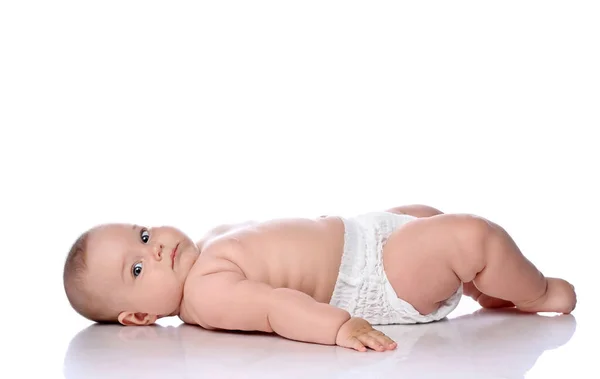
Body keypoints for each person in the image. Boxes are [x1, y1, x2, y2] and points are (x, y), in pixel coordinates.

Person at [63, 204, 577, 352]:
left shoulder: (208, 244)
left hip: (367, 236)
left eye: (145, 235)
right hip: (374, 281)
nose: (155, 252)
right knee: (469, 236)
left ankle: (485, 287)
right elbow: (273, 307)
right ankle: (539, 292)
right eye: (137, 268)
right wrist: (337, 327)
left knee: (426, 214)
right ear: (139, 316)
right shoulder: (205, 291)